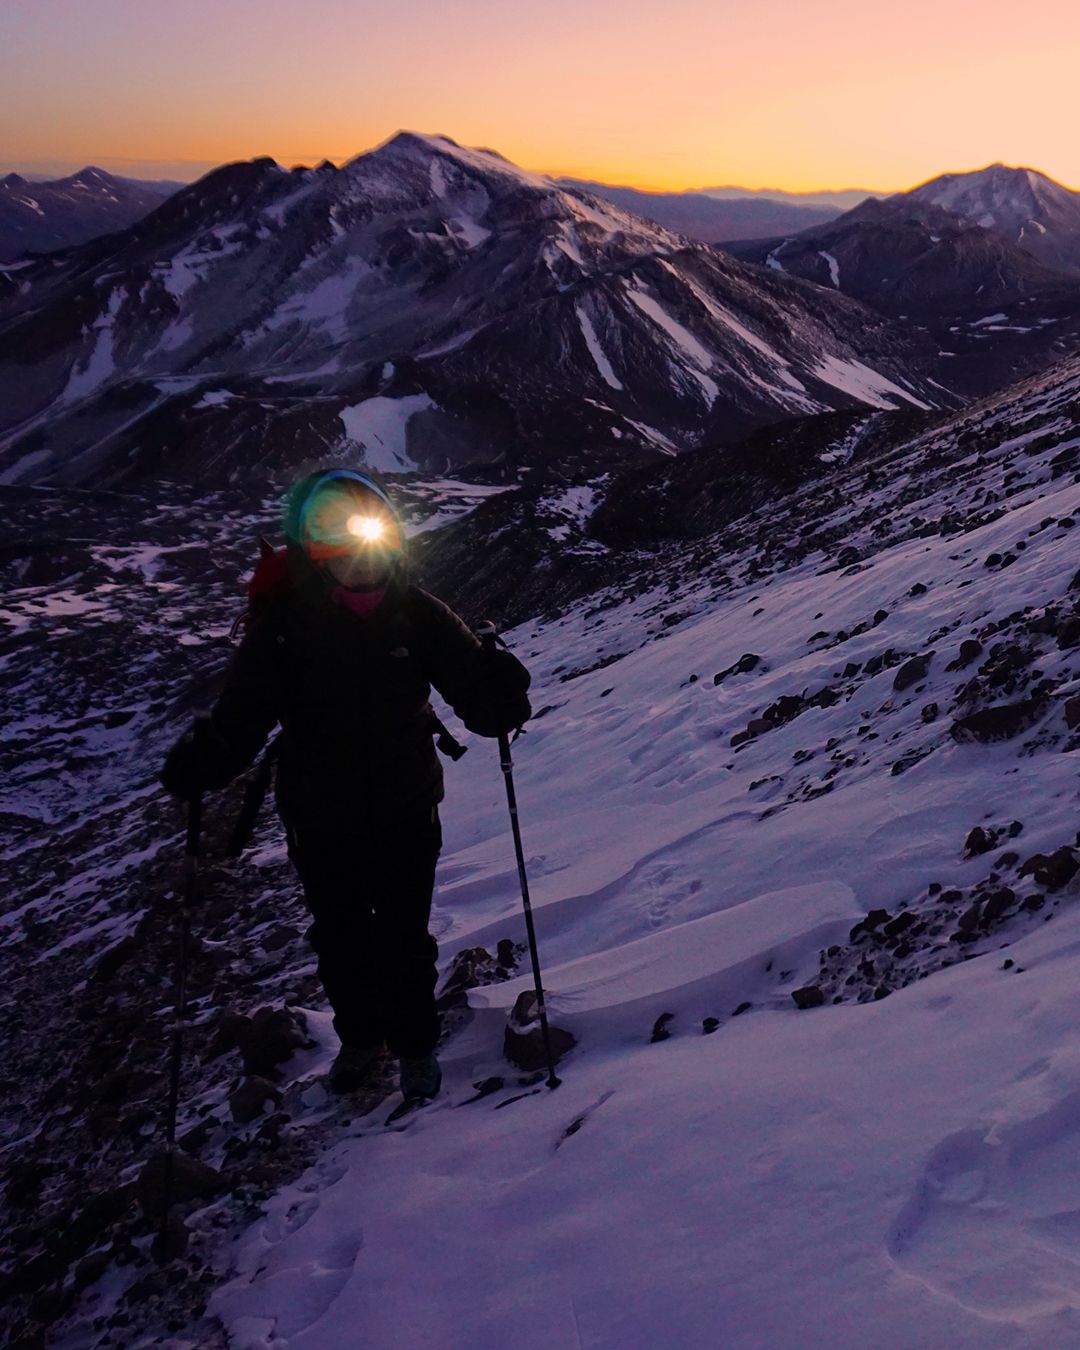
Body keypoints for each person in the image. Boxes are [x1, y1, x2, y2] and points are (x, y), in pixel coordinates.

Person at [161, 468, 531, 1103]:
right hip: (321, 816)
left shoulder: (418, 616)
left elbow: (477, 696)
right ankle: (362, 1039)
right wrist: (209, 757)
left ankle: (412, 1046)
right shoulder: (284, 627)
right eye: (332, 540)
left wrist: (500, 695)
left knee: (401, 938)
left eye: (364, 535)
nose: (355, 559)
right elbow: (242, 717)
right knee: (340, 938)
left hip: (404, 808)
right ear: (312, 554)